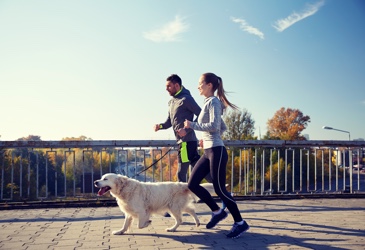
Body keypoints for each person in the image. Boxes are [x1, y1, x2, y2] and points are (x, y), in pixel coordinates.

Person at [184, 72, 250, 239]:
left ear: (209, 85)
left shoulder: (213, 101)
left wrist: (192, 125)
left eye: (200, 83)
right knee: (192, 184)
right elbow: (222, 127)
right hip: (208, 150)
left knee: (220, 189)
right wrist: (205, 139)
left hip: (217, 151)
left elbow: (214, 125)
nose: (198, 86)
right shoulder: (209, 102)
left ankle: (240, 223)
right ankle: (217, 211)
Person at [154, 74, 212, 183]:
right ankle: (219, 186)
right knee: (197, 168)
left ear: (176, 85)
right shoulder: (171, 102)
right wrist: (160, 126)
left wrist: (186, 129)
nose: (166, 89)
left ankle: (186, 198)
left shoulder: (186, 99)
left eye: (169, 86)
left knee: (181, 173)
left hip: (186, 143)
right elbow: (168, 122)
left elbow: (201, 114)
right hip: (183, 143)